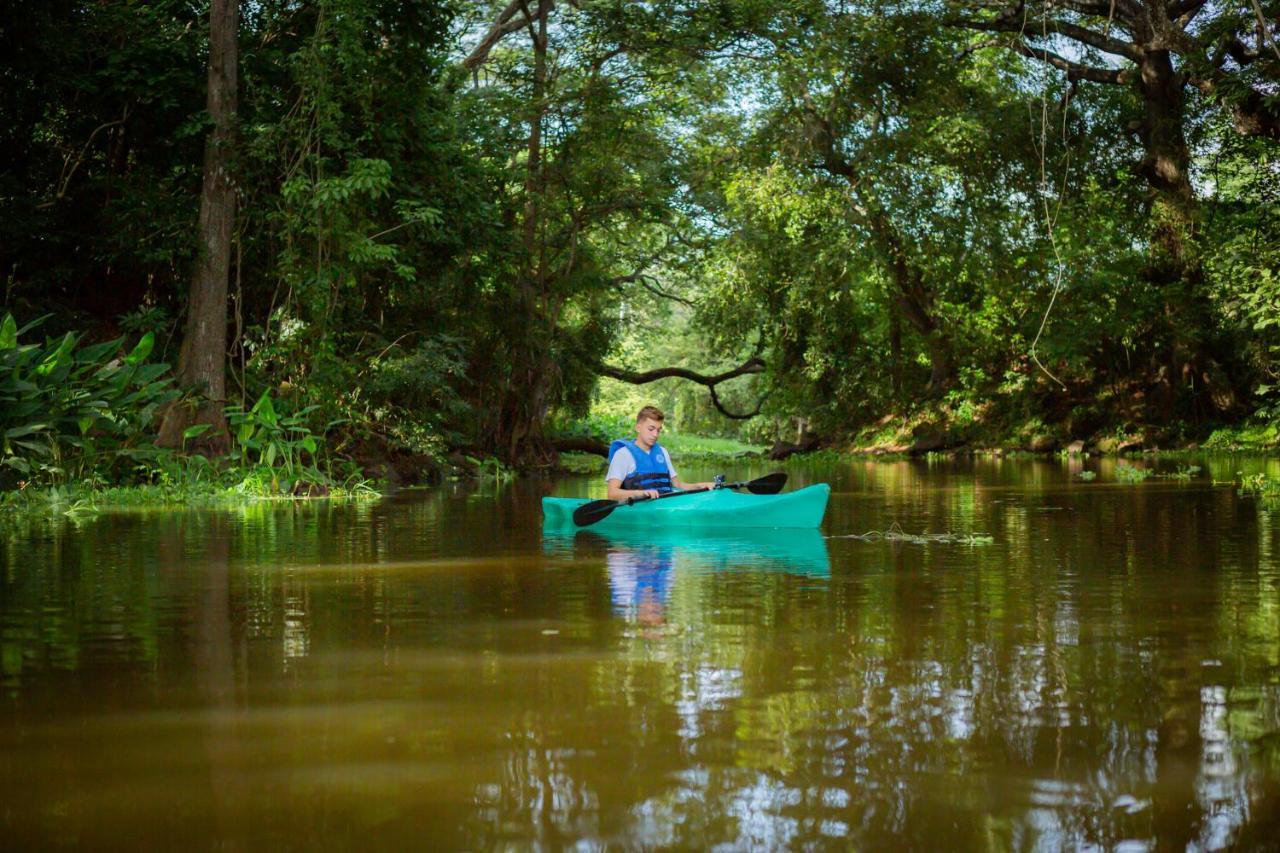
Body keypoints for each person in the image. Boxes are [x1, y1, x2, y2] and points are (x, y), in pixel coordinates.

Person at [606, 405, 718, 502]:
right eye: (651, 429)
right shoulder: (623, 455)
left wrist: (701, 485)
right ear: (638, 428)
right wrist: (641, 493)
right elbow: (612, 494)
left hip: (664, 505)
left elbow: (678, 485)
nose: (655, 434)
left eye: (658, 430)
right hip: (638, 509)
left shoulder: (662, 452)